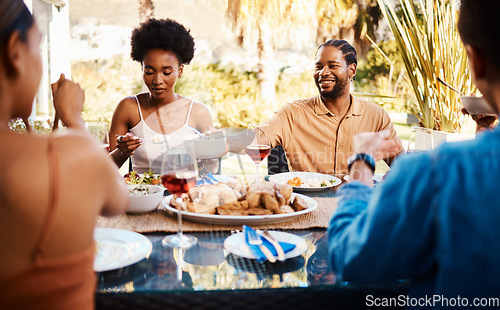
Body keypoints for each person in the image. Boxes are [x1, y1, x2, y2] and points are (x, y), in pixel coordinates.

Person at [327, 0, 500, 304]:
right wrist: (484, 129)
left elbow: (350, 259)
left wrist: (362, 164)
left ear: (475, 61)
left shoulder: (441, 174)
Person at [0, 1, 129, 309]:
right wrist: (72, 117)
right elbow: (118, 198)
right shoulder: (69, 157)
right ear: (16, 49)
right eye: (38, 47)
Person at [265, 39, 403, 175]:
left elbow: (402, 164)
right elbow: (254, 140)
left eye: (333, 66)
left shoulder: (375, 115)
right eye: (318, 66)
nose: (323, 72)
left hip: (357, 196)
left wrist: (394, 178)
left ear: (352, 70)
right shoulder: (292, 113)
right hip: (308, 198)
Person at [108, 18, 214, 174]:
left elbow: (210, 170)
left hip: (184, 194)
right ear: (142, 68)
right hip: (142, 195)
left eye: (167, 72)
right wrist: (122, 151)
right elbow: (105, 169)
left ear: (181, 70)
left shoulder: (199, 113)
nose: (157, 80)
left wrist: (209, 155)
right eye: (149, 72)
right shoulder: (128, 108)